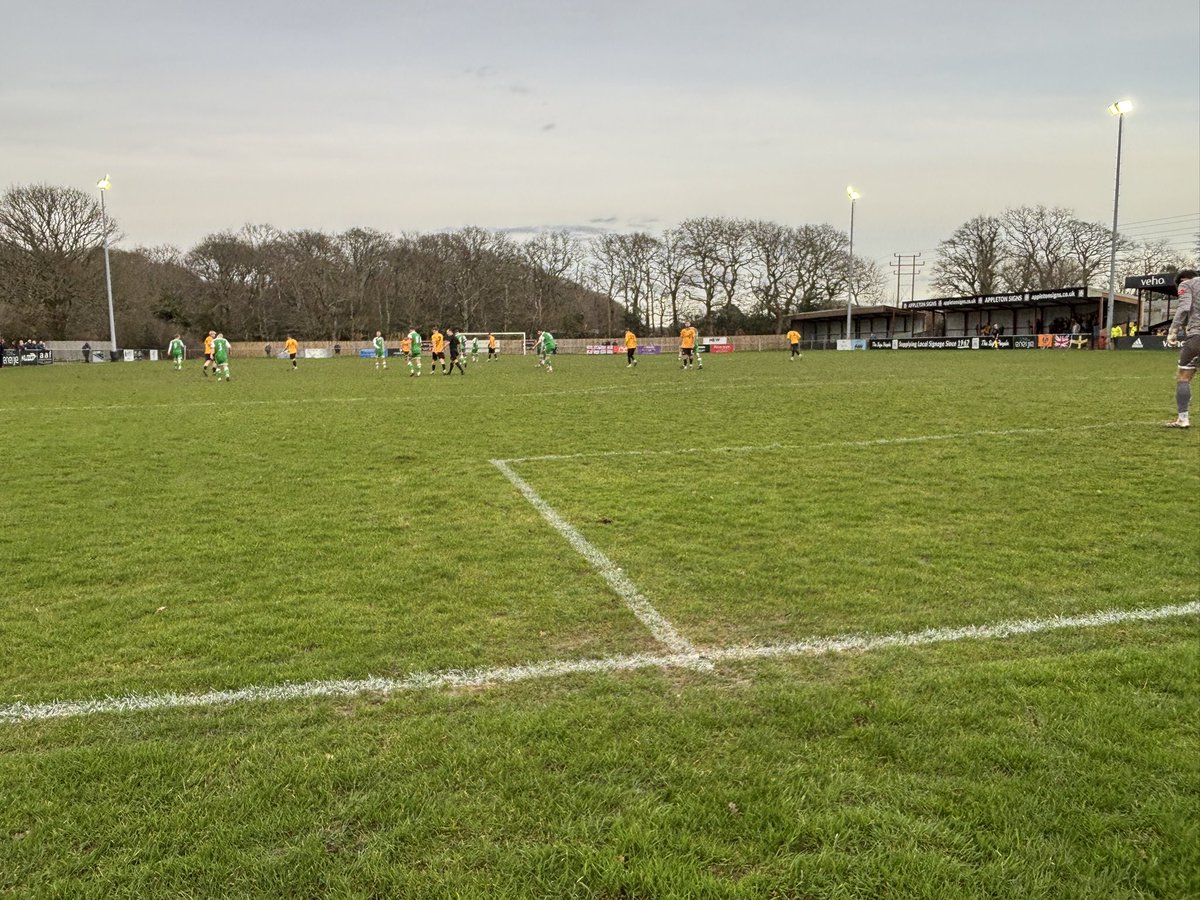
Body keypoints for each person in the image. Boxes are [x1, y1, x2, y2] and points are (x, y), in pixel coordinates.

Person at [1165, 269, 1199, 429]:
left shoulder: (1186, 283)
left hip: (1197, 335)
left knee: (1184, 376)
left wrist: (1173, 330)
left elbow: (1184, 307)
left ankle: (1183, 418)